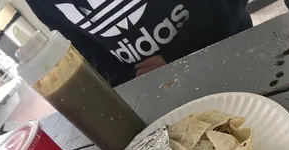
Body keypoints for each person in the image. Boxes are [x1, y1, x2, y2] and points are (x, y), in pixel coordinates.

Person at [26, 0, 252, 86]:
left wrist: (176, 55)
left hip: (232, 49)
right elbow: (87, 51)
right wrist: (130, 80)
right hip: (158, 90)